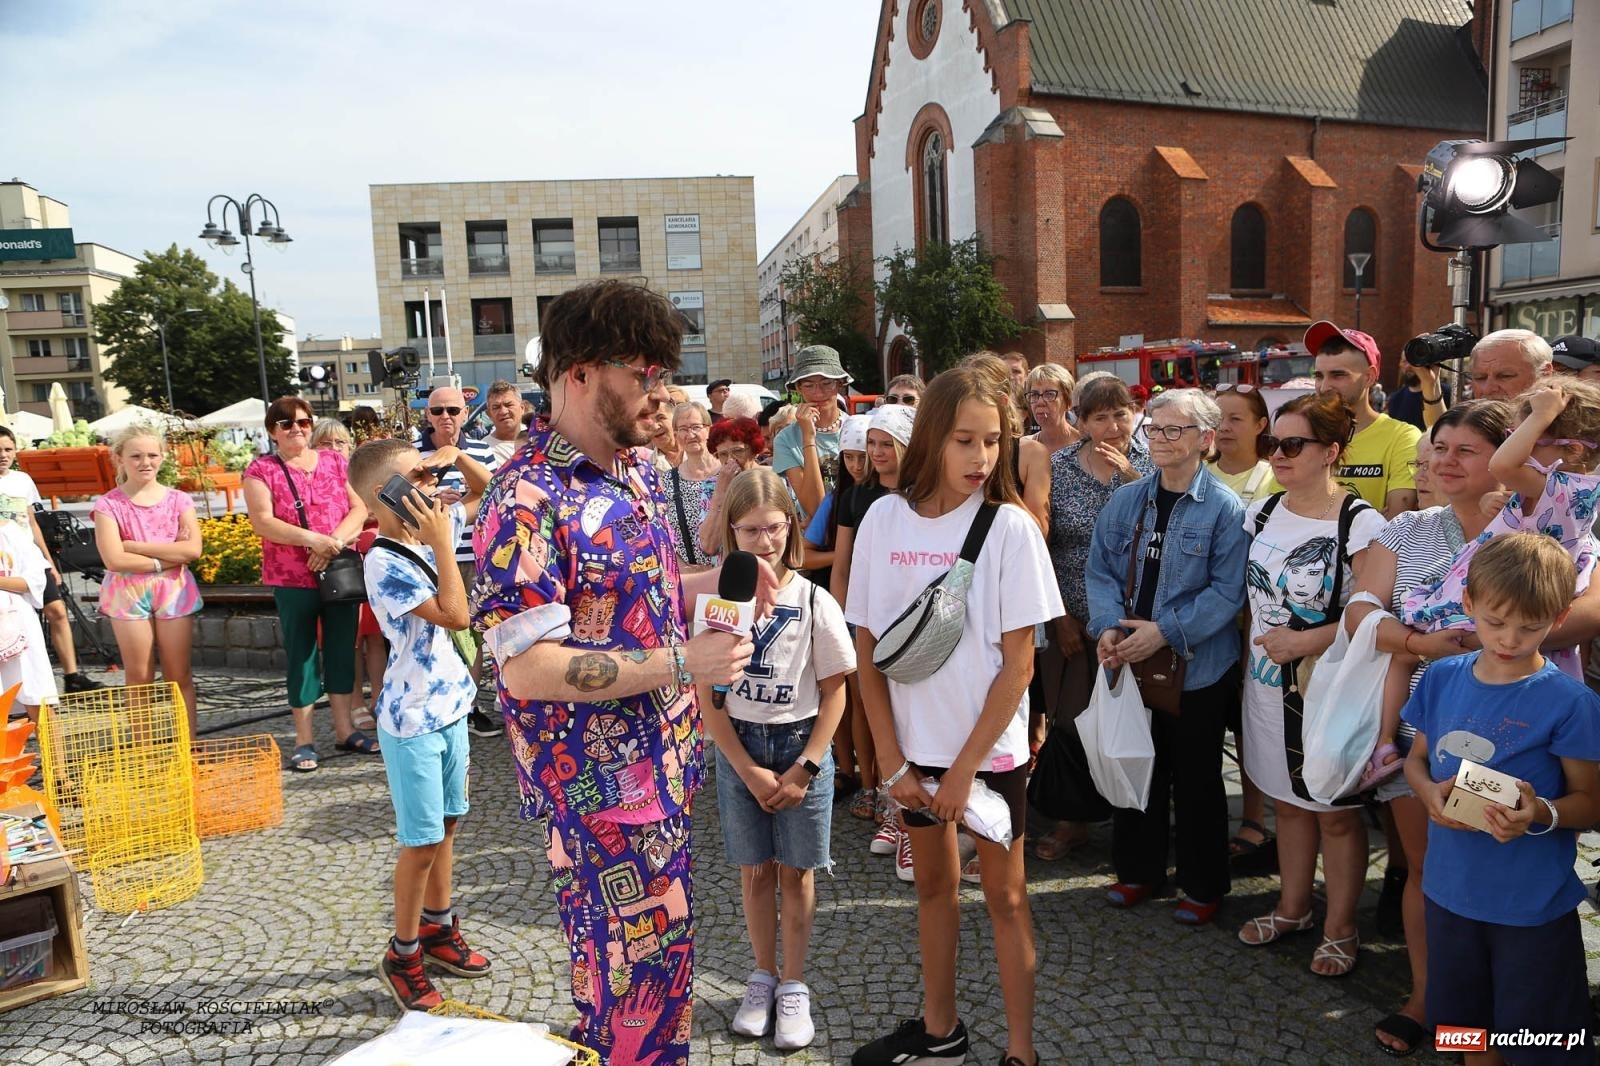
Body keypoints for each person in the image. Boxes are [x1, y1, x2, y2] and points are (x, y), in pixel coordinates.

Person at [470, 279, 757, 1066]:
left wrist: (721, 581)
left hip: (659, 774)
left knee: (654, 971)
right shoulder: (524, 498)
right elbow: (526, 669)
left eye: (663, 373)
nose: (658, 391)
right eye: (645, 373)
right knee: (631, 982)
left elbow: (641, 598)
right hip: (594, 792)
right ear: (582, 373)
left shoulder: (632, 472)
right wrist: (680, 663)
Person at [846, 366, 1061, 1066]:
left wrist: (963, 774)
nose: (981, 458)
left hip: (989, 758)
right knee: (933, 889)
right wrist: (893, 763)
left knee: (1005, 897)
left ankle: (1022, 1054)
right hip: (915, 754)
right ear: (933, 435)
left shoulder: (1011, 529)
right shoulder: (882, 517)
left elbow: (1019, 666)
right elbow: (868, 649)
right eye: (965, 440)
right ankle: (941, 1033)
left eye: (994, 442)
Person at [1344, 400, 1514, 1056]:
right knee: (1426, 870)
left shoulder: (1532, 525)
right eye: (1439, 448)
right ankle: (1427, 994)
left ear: (1503, 458)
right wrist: (1415, 640)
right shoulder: (1407, 528)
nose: (1446, 461)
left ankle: (1493, 1013)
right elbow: (1360, 607)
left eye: (1466, 450)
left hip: (1502, 729)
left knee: (1486, 874)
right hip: (1418, 723)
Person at [1402, 532, 1600, 1063]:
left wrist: (1541, 812)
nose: (1510, 638)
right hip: (1449, 896)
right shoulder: (1442, 677)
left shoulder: (1570, 702)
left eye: (1530, 626)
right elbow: (1416, 760)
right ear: (1468, 603)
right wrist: (1428, 795)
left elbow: (1591, 803)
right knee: (1467, 1030)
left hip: (1529, 907)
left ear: (1557, 619)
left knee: (1539, 1042)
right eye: (1494, 621)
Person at [1368, 380, 1600, 795]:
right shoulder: (1554, 488)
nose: (1522, 447)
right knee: (1414, 649)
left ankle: (1389, 744)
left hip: (1504, 598)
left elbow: (1502, 466)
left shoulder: (1567, 486)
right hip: (1504, 596)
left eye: (1532, 439)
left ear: (1576, 450)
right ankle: (1388, 741)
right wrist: (1505, 503)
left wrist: (1543, 412)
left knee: (1422, 641)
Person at [700, 467, 854, 1051]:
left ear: (791, 526)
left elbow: (836, 689)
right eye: (750, 532)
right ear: (730, 533)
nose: (764, 543)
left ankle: (794, 984)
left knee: (797, 872)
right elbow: (708, 693)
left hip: (798, 746)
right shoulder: (715, 599)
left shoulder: (814, 599)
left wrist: (806, 766)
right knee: (755, 870)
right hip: (741, 747)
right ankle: (761, 974)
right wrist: (745, 767)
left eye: (775, 529)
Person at [1234, 394, 1386, 977]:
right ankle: (1293, 907)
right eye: (1273, 443)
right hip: (1266, 684)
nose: (1278, 455)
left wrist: (1303, 642)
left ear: (1332, 452)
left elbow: (1372, 613)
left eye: (1293, 445)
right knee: (1286, 804)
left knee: (1335, 813)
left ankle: (1341, 927)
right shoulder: (1265, 511)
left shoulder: (1361, 522)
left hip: (1326, 690)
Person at [1087, 389, 1247, 928]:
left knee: (1199, 779)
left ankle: (1203, 885)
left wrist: (1165, 632)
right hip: (1130, 658)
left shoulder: (1225, 508)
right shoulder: (1128, 499)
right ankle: (1138, 871)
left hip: (1199, 667)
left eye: (1173, 430)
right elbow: (1100, 570)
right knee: (1138, 763)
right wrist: (1108, 627)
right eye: (1153, 429)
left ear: (1205, 439)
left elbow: (1228, 592)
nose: (1159, 439)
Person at [348, 437, 493, 1012]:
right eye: (417, 479)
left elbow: (487, 492)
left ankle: (438, 927)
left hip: (453, 704)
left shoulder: (431, 521)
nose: (431, 487)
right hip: (412, 721)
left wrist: (451, 457)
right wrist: (439, 543)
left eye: (428, 477)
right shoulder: (382, 560)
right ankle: (402, 952)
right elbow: (457, 614)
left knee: (450, 825)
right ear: (387, 496)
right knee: (421, 840)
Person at [1038, 375, 1153, 860]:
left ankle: (1134, 821)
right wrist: (1059, 616)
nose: (1111, 425)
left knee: (1133, 720)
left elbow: (1158, 536)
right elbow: (1041, 546)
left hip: (1135, 623)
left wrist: (1130, 478)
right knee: (1068, 720)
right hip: (1073, 614)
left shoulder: (1151, 468)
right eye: (1099, 416)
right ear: (1079, 422)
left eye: (1120, 413)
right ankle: (1072, 820)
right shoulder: (1058, 467)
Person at [243, 396, 372, 772]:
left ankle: (344, 729)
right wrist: (312, 541)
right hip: (291, 576)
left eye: (303, 421)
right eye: (286, 424)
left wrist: (331, 544)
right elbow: (262, 521)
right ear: (272, 432)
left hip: (337, 570)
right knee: (301, 654)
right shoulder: (261, 470)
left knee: (341, 649)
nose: (296, 429)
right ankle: (303, 739)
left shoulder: (335, 460)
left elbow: (359, 509)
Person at [830, 405, 914, 871]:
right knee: (879, 716)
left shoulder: (923, 493)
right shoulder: (859, 497)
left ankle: (908, 819)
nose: (877, 454)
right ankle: (890, 807)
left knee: (911, 721)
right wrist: (850, 625)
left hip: (916, 627)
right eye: (872, 444)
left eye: (887, 444)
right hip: (870, 624)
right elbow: (844, 568)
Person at [90, 426, 206, 732]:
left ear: (163, 457)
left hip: (173, 591)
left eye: (152, 455)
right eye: (136, 456)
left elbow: (193, 549)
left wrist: (136, 547)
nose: (146, 462)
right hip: (128, 594)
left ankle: (187, 746)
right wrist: (167, 557)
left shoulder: (179, 500)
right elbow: (114, 559)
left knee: (178, 673)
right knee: (139, 676)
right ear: (120, 459)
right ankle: (144, 752)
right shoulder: (108, 505)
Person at [413, 384, 498, 736]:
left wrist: (460, 504)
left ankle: (470, 705)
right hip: (428, 556)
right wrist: (433, 498)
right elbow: (396, 501)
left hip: (470, 554)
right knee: (432, 634)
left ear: (465, 413)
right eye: (437, 411)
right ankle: (435, 704)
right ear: (427, 415)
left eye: (452, 410)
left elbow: (494, 495)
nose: (445, 417)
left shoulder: (482, 450)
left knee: (471, 634)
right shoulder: (411, 452)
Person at [0, 426, 103, 694]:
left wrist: (49, 561)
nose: (3, 455)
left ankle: (71, 676)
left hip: (31, 560)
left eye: (8, 449)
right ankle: (17, 689)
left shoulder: (23, 481)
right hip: (4, 563)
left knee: (57, 610)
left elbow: (32, 523)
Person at [1306, 320, 1421, 518]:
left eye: (1337, 375)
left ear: (1369, 377)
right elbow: (1283, 512)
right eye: (1319, 376)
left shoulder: (1401, 437)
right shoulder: (1302, 434)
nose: (1324, 387)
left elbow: (1397, 524)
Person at [773, 345, 849, 521]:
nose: (818, 393)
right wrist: (809, 437)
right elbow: (815, 508)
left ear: (839, 384)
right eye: (809, 385)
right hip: (818, 540)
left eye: (826, 383)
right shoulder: (786, 440)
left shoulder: (857, 428)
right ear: (798, 388)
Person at [0, 511, 53, 723]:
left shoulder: (12, 533)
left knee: (36, 695)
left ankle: (54, 757)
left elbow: (34, 582)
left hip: (19, 624)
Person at [660, 403, 719, 573]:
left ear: (708, 429)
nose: (690, 434)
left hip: (728, 574)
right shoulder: (668, 481)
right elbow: (664, 534)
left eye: (696, 427)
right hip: (690, 578)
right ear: (676, 434)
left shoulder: (727, 472)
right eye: (683, 429)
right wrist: (683, 568)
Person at [699, 417, 765, 558]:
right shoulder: (711, 486)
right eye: (723, 454)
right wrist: (721, 492)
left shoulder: (775, 480)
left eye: (738, 451)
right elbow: (708, 547)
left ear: (753, 450)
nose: (731, 459)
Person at [1210, 384, 1280, 506]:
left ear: (1260, 425)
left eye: (1235, 419)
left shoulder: (1276, 477)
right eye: (1217, 419)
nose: (1224, 427)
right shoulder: (1194, 474)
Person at [1469, 328, 1554, 400]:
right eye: (1480, 378)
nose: (1487, 389)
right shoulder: (1461, 418)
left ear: (1544, 373)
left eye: (1505, 376)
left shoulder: (1564, 419)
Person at [1024, 363, 1079, 455]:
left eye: (1049, 394)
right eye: (1034, 394)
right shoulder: (1024, 447)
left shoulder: (1086, 446)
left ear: (1068, 401)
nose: (1040, 402)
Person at [1386, 357, 1451, 432]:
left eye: (1412, 361)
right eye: (1404, 361)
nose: (1408, 366)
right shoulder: (1395, 399)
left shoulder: (1447, 393)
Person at [483, 380, 524, 464]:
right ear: (489, 414)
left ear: (522, 408)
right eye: (496, 407)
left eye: (509, 405)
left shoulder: (537, 439)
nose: (503, 411)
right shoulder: (483, 450)